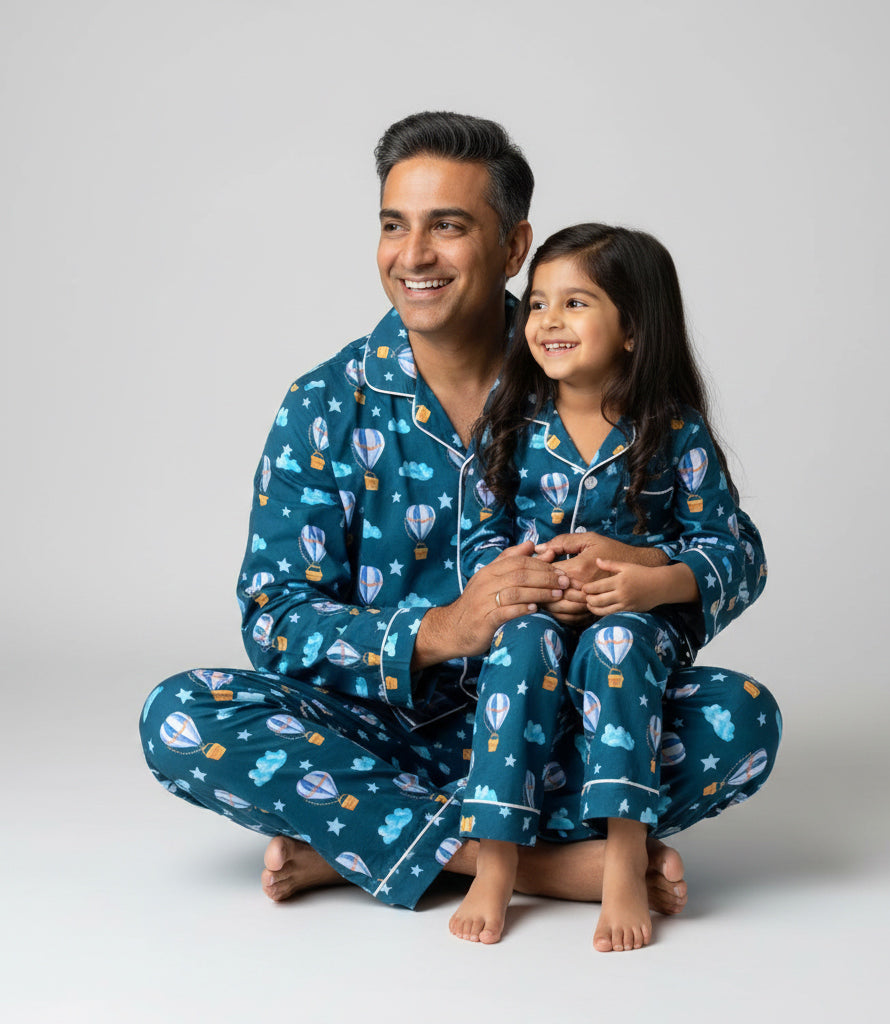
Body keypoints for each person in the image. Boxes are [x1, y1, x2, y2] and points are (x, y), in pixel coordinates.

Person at [139, 112, 780, 931]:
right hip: (381, 732)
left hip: (558, 723)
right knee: (182, 715)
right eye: (393, 226)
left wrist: (637, 567)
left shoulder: (587, 358)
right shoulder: (324, 403)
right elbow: (275, 620)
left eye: (448, 226)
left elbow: (729, 544)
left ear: (515, 248)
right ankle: (531, 864)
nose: (414, 257)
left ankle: (356, 838)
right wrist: (443, 629)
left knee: (744, 718)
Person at [451, 224, 773, 950]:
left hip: (634, 628)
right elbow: (476, 545)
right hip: (529, 627)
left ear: (632, 328)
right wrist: (534, 586)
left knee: (620, 641)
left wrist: (647, 579)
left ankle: (623, 856)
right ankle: (495, 862)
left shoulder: (674, 432)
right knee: (526, 642)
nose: (548, 321)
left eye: (576, 303)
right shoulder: (509, 424)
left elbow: (733, 551)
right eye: (536, 304)